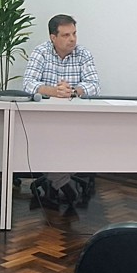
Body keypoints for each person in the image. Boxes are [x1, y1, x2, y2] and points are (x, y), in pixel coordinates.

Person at [22, 14, 100, 213]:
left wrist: (73, 91)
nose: (72, 39)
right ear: (53, 37)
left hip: (76, 121)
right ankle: (61, 182)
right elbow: (28, 84)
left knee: (73, 140)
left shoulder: (83, 54)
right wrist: (53, 91)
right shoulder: (41, 52)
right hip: (44, 121)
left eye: (74, 33)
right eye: (66, 35)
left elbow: (94, 86)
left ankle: (56, 181)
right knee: (50, 139)